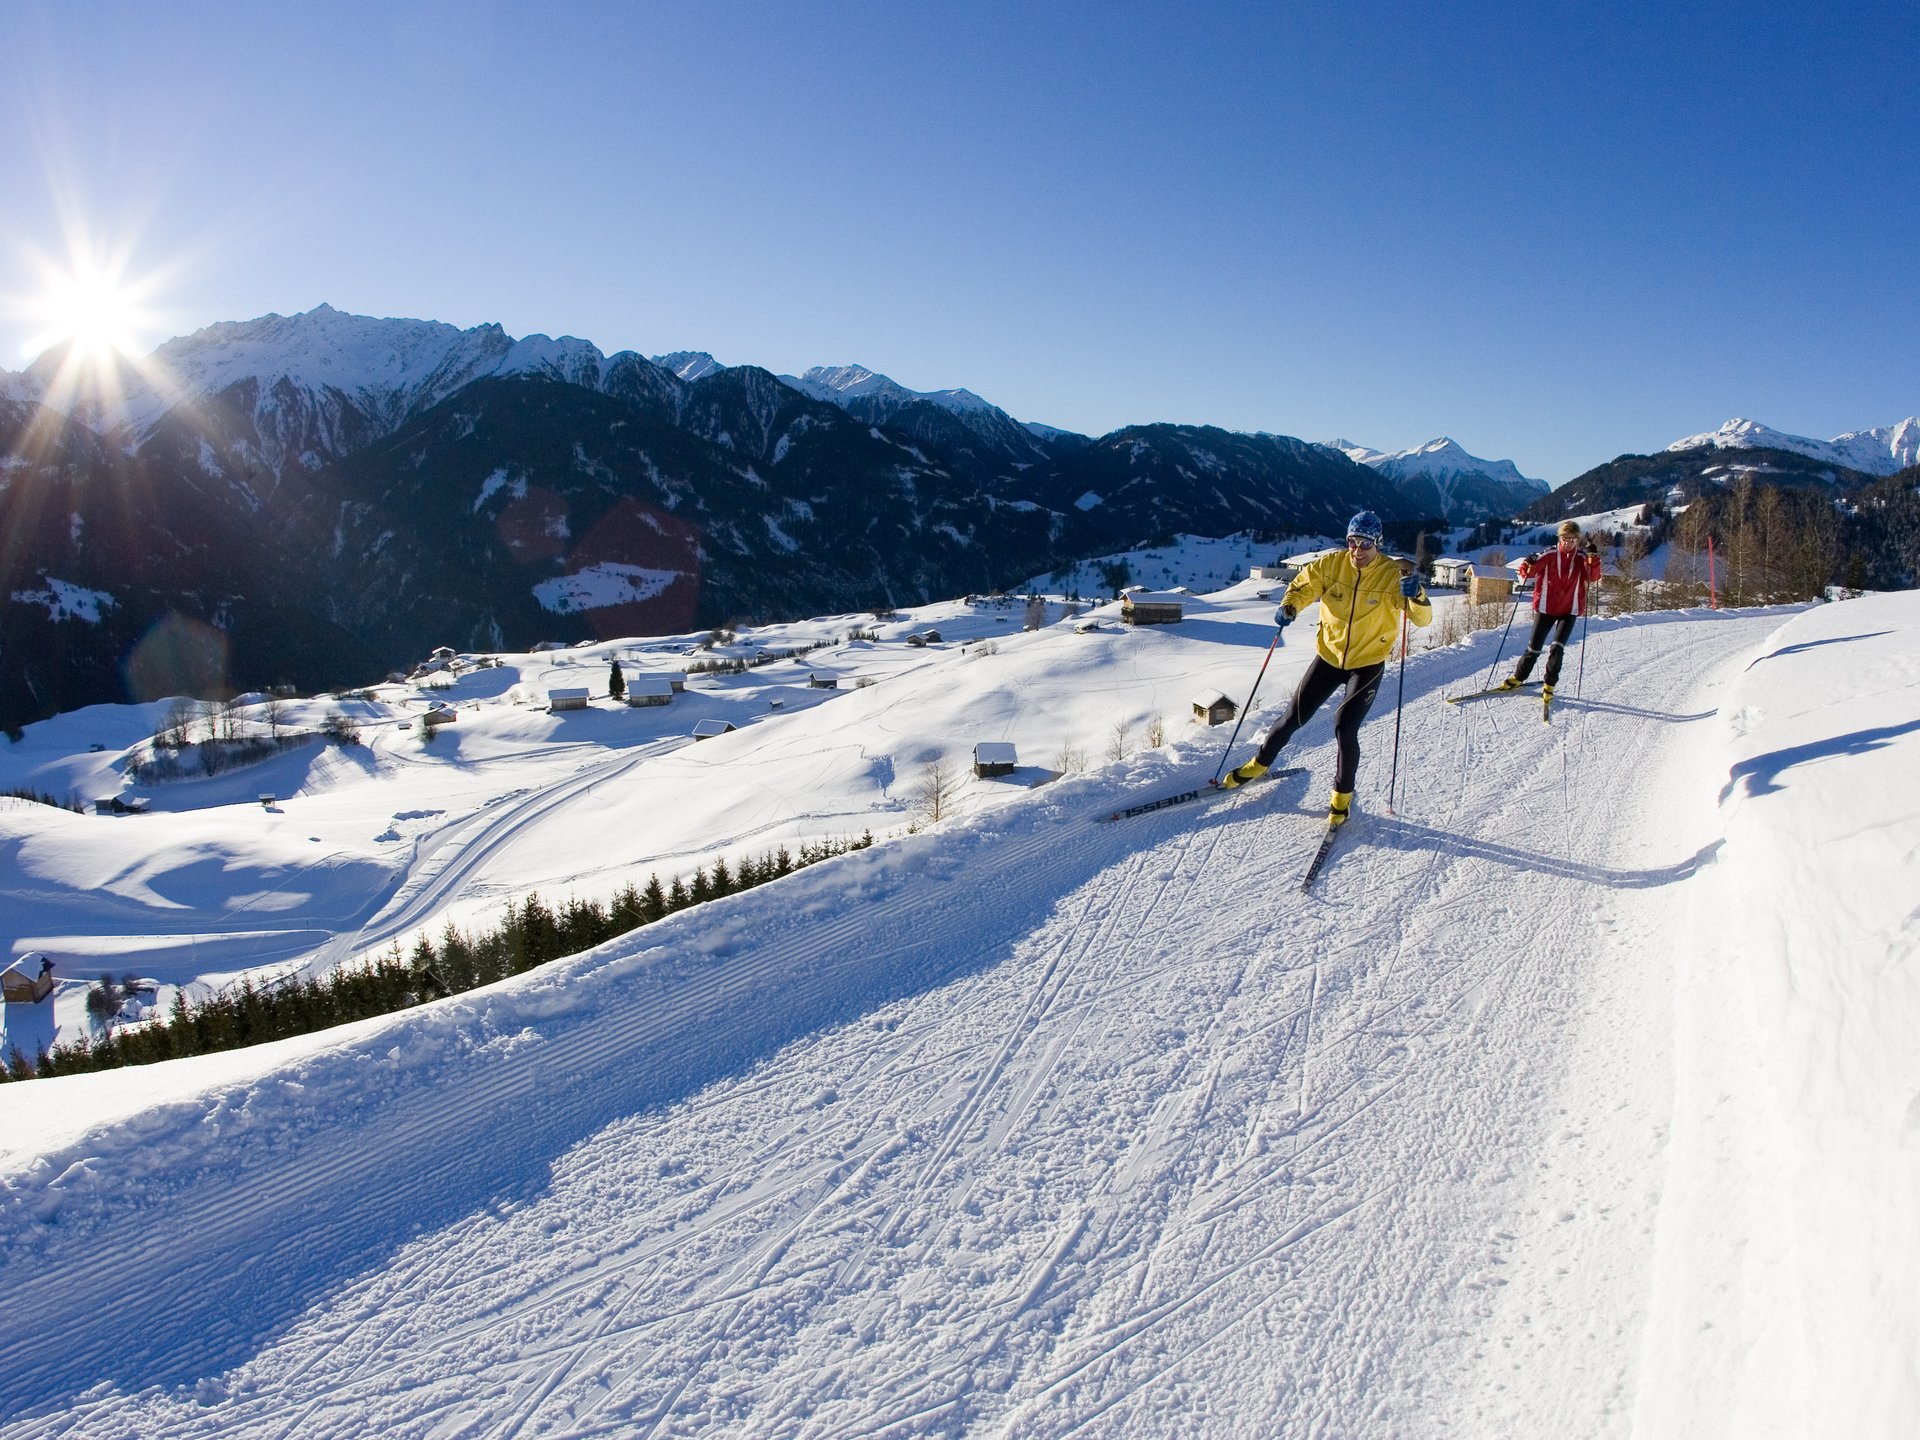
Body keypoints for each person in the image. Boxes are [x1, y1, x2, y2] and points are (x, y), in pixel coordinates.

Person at [1220, 510, 1432, 827]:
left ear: (1378, 544)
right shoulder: (1331, 565)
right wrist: (1289, 605)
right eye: (1352, 542)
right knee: (1292, 717)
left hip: (1367, 664)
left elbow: (1422, 620)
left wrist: (1416, 595)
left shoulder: (1392, 576)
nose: (1357, 551)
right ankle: (1259, 765)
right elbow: (1303, 586)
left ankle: (1341, 799)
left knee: (1345, 727)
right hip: (1329, 656)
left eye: (1365, 544)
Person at [1496, 520, 1602, 700]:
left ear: (1577, 540)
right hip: (1546, 607)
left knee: (1557, 649)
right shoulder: (1549, 554)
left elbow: (1593, 577)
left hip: (1569, 610)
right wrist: (1528, 562)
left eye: (1572, 539)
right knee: (1534, 648)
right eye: (1564, 538)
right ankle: (1519, 678)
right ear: (1559, 538)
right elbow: (1527, 573)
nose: (1568, 542)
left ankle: (1549, 684)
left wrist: (1594, 559)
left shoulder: (1582, 558)